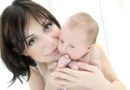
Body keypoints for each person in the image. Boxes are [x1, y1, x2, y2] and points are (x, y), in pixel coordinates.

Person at [0, 0, 126, 90]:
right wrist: (50, 87)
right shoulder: (35, 68)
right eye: (32, 40)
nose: (50, 42)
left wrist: (100, 84)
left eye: (47, 26)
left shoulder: (84, 48)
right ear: (23, 51)